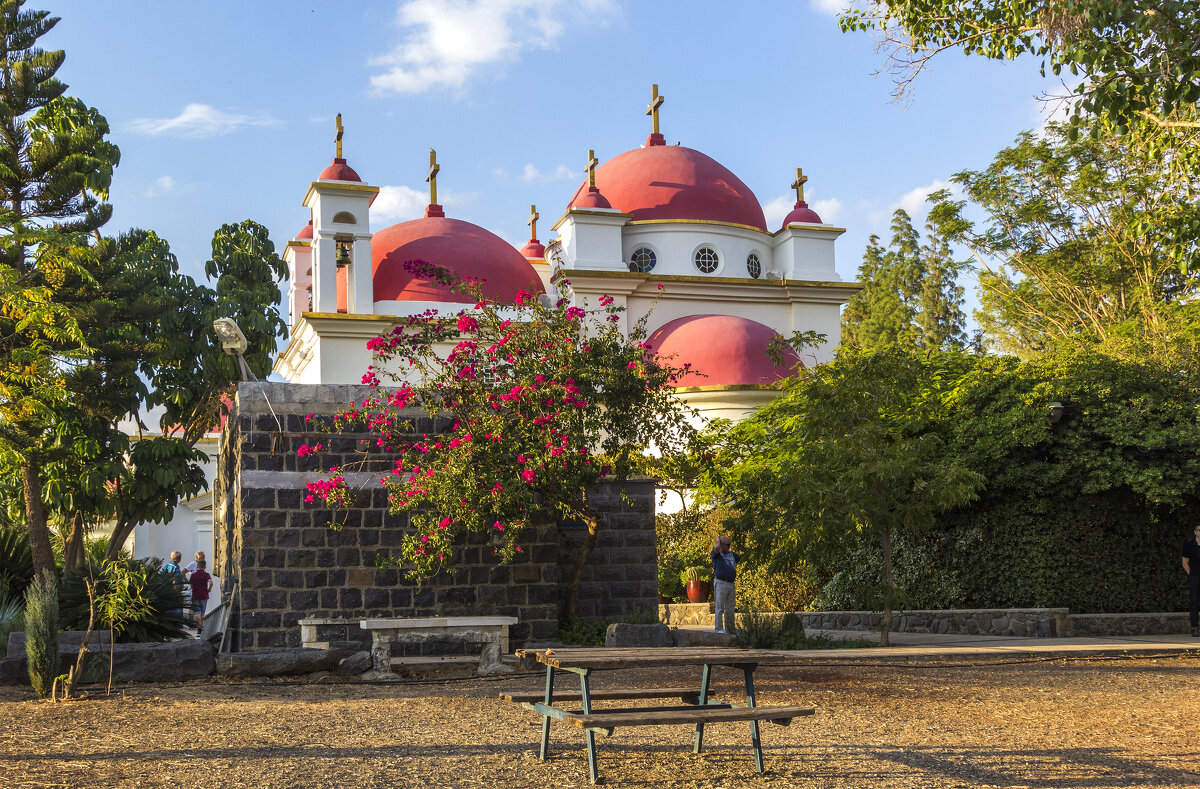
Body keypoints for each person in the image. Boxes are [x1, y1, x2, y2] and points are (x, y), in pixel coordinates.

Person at [710, 536, 740, 635]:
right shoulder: (716, 554)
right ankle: (718, 629)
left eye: (729, 544)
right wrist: (718, 541)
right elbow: (716, 548)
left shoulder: (732, 554)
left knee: (730, 608)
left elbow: (741, 558)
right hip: (721, 582)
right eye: (727, 545)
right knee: (719, 607)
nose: (729, 547)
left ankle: (730, 629)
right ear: (721, 545)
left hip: (731, 583)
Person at [1183, 524, 1200, 638]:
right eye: (1199, 530)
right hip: (1195, 577)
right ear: (1195, 532)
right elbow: (1184, 562)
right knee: (1194, 602)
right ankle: (1195, 627)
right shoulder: (1189, 546)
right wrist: (1192, 575)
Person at [188, 559, 213, 631]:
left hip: (195, 595)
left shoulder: (193, 575)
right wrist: (209, 589)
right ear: (204, 567)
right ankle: (200, 628)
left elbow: (191, 584)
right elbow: (211, 582)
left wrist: (193, 588)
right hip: (204, 595)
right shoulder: (206, 574)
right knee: (202, 613)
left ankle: (199, 626)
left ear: (197, 566)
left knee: (197, 612)